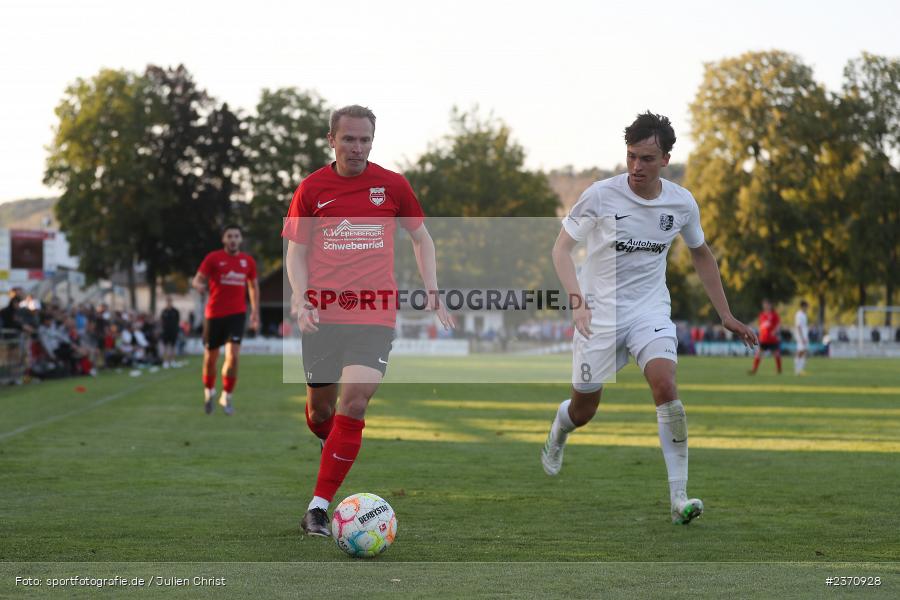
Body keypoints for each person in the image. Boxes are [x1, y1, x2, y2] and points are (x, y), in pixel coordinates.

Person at [540, 111, 757, 525]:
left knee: (666, 384)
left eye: (646, 159)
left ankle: (679, 499)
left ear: (666, 160)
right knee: (585, 409)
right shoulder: (600, 196)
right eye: (631, 156)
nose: (636, 167)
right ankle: (559, 429)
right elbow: (561, 250)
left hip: (649, 311)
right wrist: (578, 301)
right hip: (598, 316)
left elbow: (700, 253)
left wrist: (725, 313)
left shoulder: (681, 202)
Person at [282, 105, 453, 537]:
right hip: (323, 314)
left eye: (365, 140)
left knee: (354, 402)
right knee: (320, 412)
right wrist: (302, 300)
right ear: (332, 140)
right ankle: (328, 439)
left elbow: (421, 237)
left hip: (374, 313)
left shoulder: (393, 185)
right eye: (349, 139)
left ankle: (317, 508)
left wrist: (433, 288)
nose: (357, 147)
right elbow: (296, 252)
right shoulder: (311, 189)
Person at [192, 224, 260, 415]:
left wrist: (255, 312)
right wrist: (199, 285)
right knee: (210, 359)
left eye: (236, 236)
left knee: (233, 357)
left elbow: (253, 287)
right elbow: (197, 279)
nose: (233, 239)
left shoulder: (248, 262)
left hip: (237, 315)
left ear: (240, 239)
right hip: (214, 315)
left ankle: (227, 396)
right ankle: (209, 392)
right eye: (229, 236)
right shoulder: (213, 258)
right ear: (224, 239)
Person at [749, 299, 781, 374]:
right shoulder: (762, 315)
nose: (765, 306)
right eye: (764, 304)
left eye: (767, 304)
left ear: (770, 305)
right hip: (764, 339)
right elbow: (761, 326)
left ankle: (779, 369)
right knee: (759, 354)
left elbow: (778, 325)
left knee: (776, 354)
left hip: (772, 339)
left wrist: (775, 332)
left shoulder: (774, 315)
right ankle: (754, 369)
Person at [160, 296, 181, 368]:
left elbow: (178, 321)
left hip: (173, 331)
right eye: (168, 302)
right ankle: (165, 361)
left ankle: (172, 360)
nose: (169, 303)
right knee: (165, 347)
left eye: (170, 301)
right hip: (165, 332)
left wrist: (176, 330)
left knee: (173, 346)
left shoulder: (175, 311)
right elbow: (162, 321)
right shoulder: (164, 311)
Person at [793, 300, 809, 375]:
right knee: (800, 352)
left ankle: (800, 370)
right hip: (801, 336)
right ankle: (797, 370)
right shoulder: (799, 314)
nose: (807, 308)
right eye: (806, 306)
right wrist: (802, 337)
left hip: (804, 336)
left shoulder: (804, 314)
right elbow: (798, 326)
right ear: (803, 306)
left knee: (803, 352)